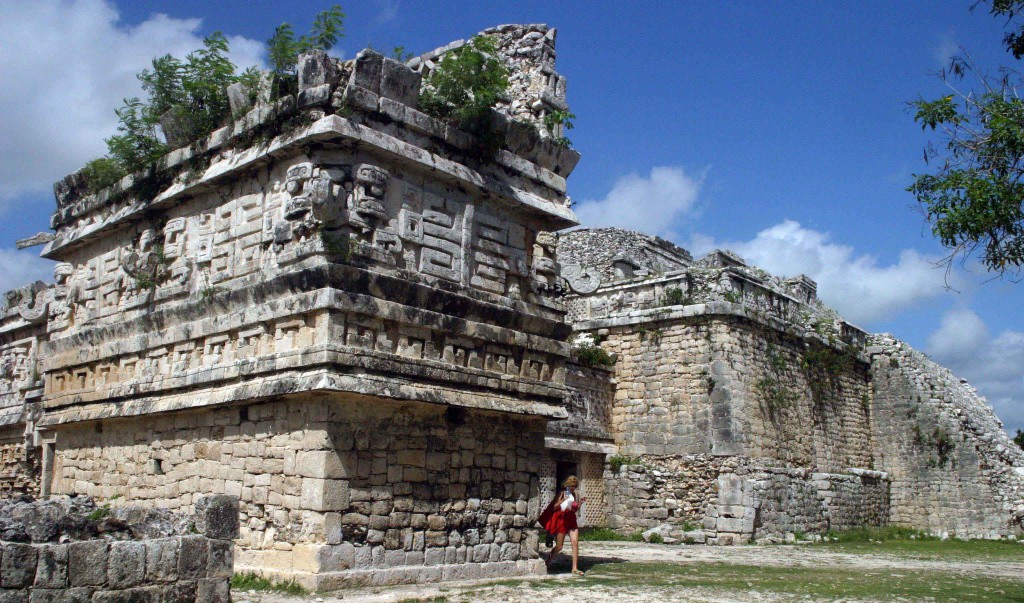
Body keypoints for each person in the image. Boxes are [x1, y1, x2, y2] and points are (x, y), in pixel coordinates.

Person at [539, 475, 586, 575]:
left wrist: (580, 503)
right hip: (562, 520)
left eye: (575, 486)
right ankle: (547, 562)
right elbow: (554, 507)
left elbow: (574, 509)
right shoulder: (562, 493)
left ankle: (574, 568)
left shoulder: (574, 494)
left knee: (575, 543)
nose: (573, 488)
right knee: (559, 547)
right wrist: (563, 500)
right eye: (572, 486)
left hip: (571, 520)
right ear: (568, 485)